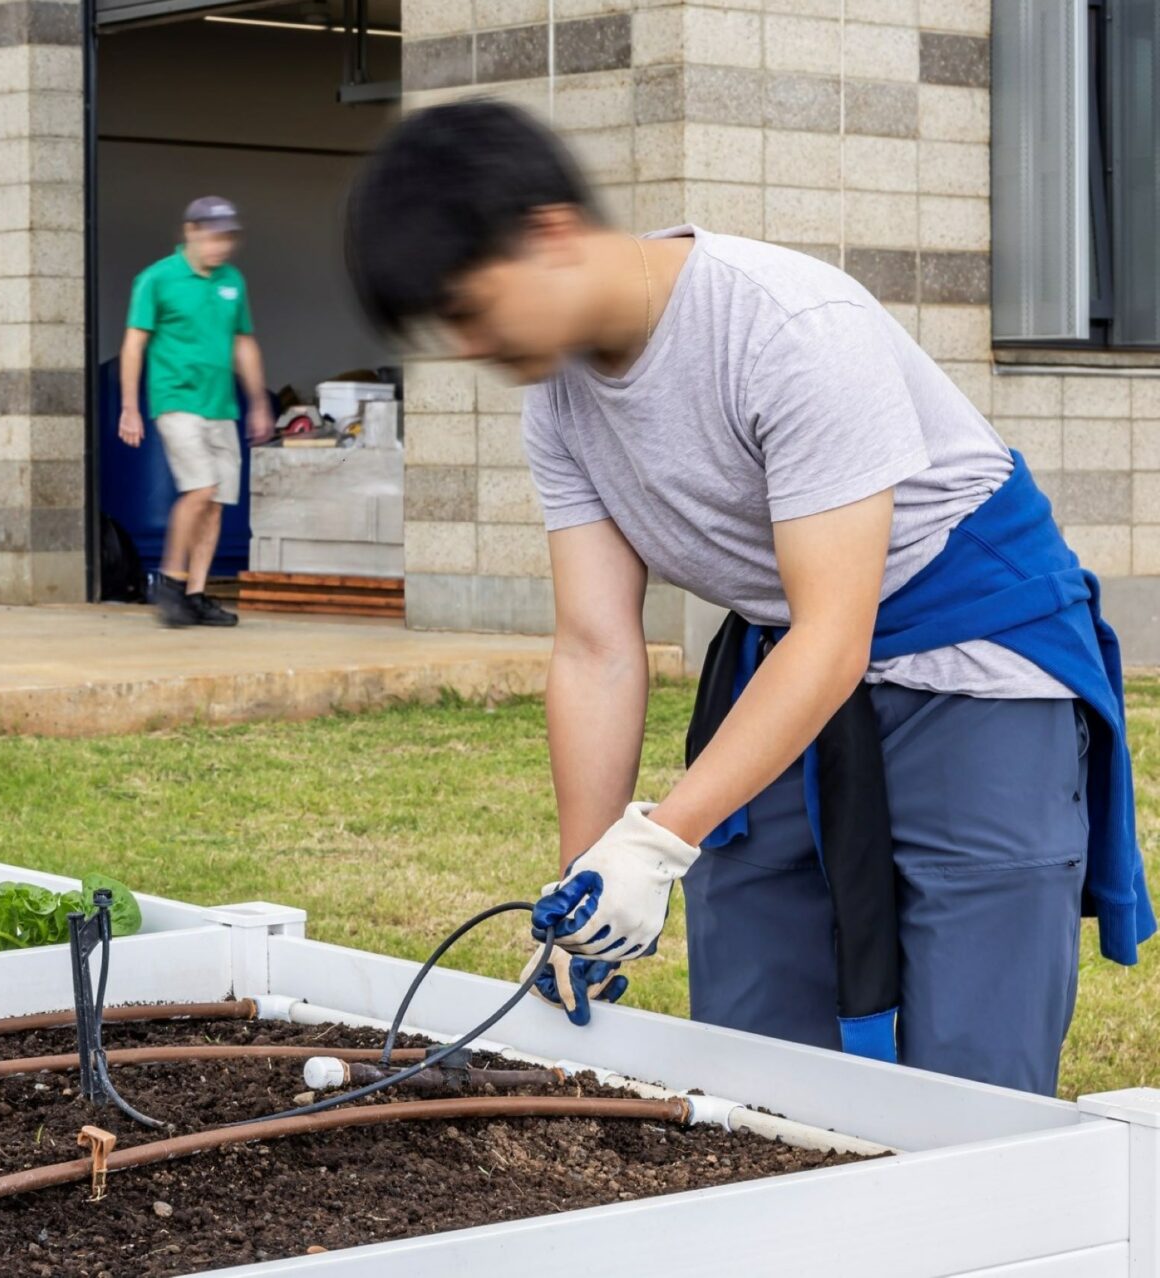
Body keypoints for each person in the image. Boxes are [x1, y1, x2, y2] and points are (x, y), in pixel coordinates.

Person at [343, 100, 1152, 1095]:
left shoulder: (786, 326)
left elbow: (833, 632)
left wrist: (662, 834)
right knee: (754, 1032)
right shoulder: (557, 403)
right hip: (789, 660)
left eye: (468, 308)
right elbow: (596, 646)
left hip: (972, 661)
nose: (465, 344)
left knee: (970, 1051)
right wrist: (587, 878)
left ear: (548, 235)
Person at [118, 196, 275, 629]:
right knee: (201, 489)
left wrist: (259, 402)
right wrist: (130, 407)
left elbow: (243, 342)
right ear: (191, 231)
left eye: (227, 237)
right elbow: (134, 343)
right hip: (176, 401)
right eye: (213, 236)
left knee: (217, 502)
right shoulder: (157, 279)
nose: (221, 246)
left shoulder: (232, 282)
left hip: (220, 405)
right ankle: (169, 580)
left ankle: (195, 595)